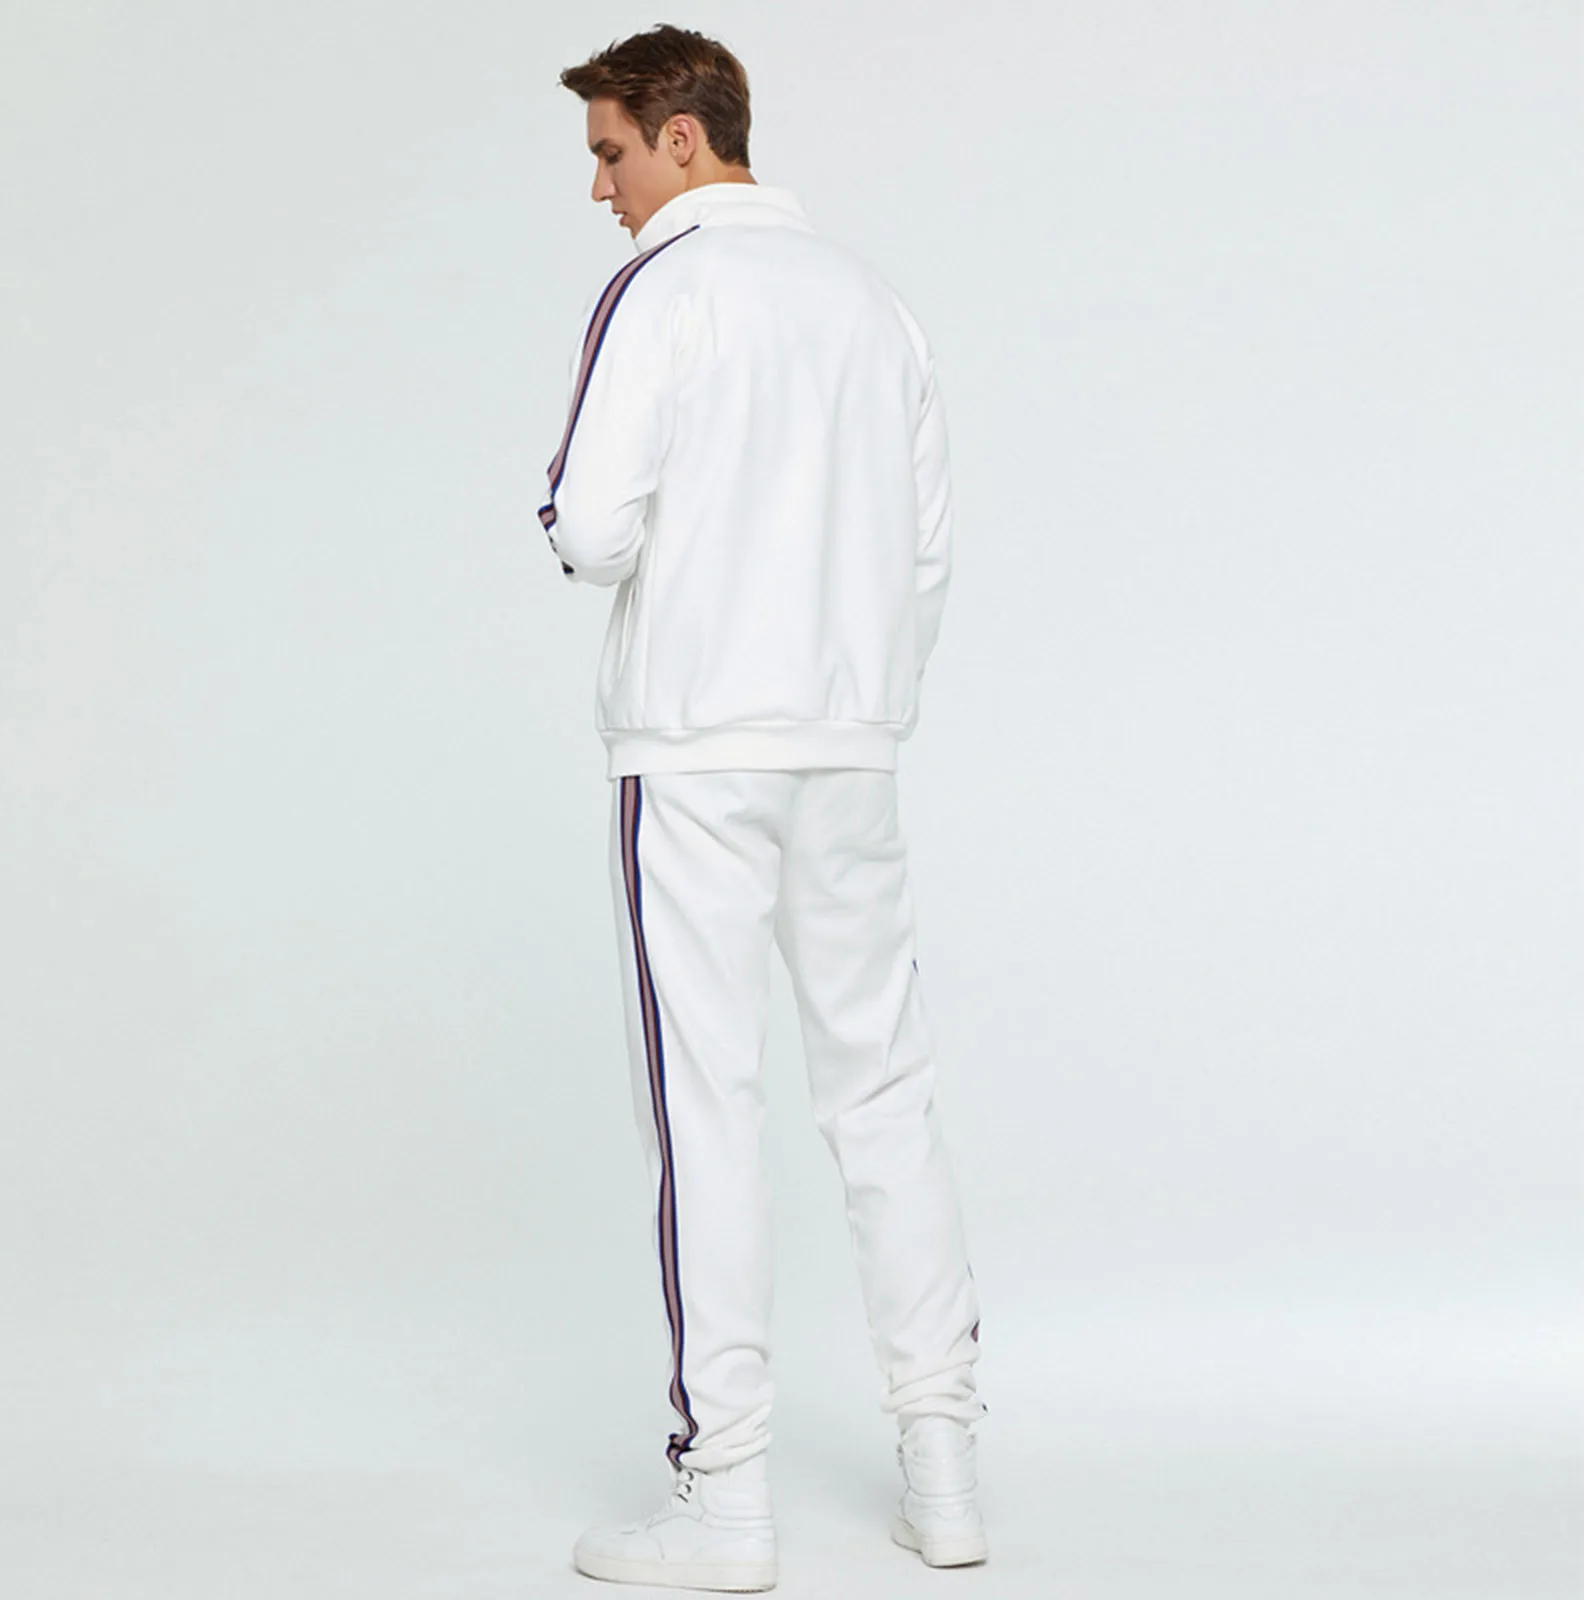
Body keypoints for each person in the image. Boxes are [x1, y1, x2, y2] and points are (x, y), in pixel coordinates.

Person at [537, 24, 987, 1592]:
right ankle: (945, 1474)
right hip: (850, 745)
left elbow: (590, 530)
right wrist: (862, 689)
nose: (601, 188)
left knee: (707, 1105)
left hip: (697, 745)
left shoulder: (664, 288)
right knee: (884, 1093)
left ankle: (725, 1503)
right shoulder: (872, 303)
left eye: (610, 151)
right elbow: (926, 556)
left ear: (681, 135)